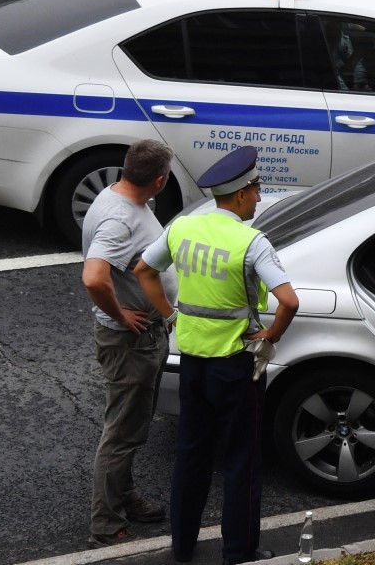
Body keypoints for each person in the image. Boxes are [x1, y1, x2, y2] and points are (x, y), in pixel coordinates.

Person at [135, 146, 299, 565]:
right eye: (257, 190)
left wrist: (171, 316)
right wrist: (271, 332)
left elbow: (144, 270)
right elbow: (289, 301)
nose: (260, 198)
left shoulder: (183, 228)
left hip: (191, 361)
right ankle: (239, 551)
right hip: (234, 364)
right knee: (241, 460)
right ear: (241, 194)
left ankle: (183, 544)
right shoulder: (251, 241)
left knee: (192, 453)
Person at [81, 139, 178, 547]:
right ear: (159, 180)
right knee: (123, 432)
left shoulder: (117, 196)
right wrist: (122, 315)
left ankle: (124, 495)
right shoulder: (120, 219)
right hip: (130, 341)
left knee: (133, 424)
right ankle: (106, 524)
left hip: (139, 338)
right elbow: (93, 277)